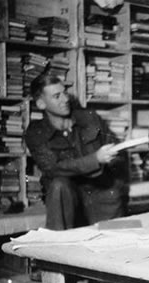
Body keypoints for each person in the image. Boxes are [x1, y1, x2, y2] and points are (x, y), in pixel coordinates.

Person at [25, 74, 128, 230]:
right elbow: (53, 168)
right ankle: (58, 246)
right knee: (59, 185)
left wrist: (117, 183)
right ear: (41, 104)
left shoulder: (89, 118)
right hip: (67, 196)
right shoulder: (35, 132)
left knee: (113, 242)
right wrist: (96, 159)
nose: (65, 99)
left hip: (100, 193)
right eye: (56, 96)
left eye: (65, 93)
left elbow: (117, 152)